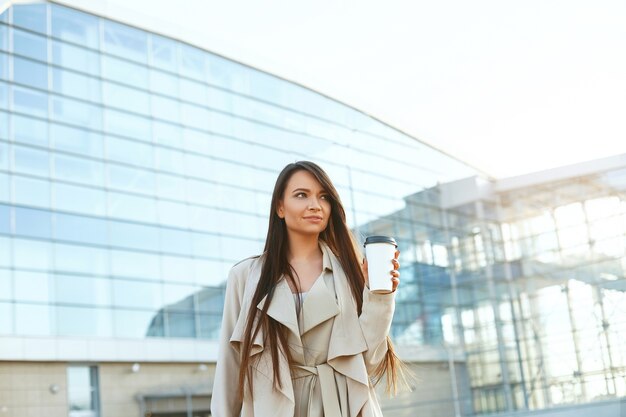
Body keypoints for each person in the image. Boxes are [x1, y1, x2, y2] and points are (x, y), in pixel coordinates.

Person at [211, 161, 403, 417]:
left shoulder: (351, 272)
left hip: (342, 407)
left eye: (323, 197)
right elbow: (230, 367)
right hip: (273, 407)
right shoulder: (245, 276)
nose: (315, 205)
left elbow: (368, 362)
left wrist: (380, 296)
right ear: (280, 207)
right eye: (302, 195)